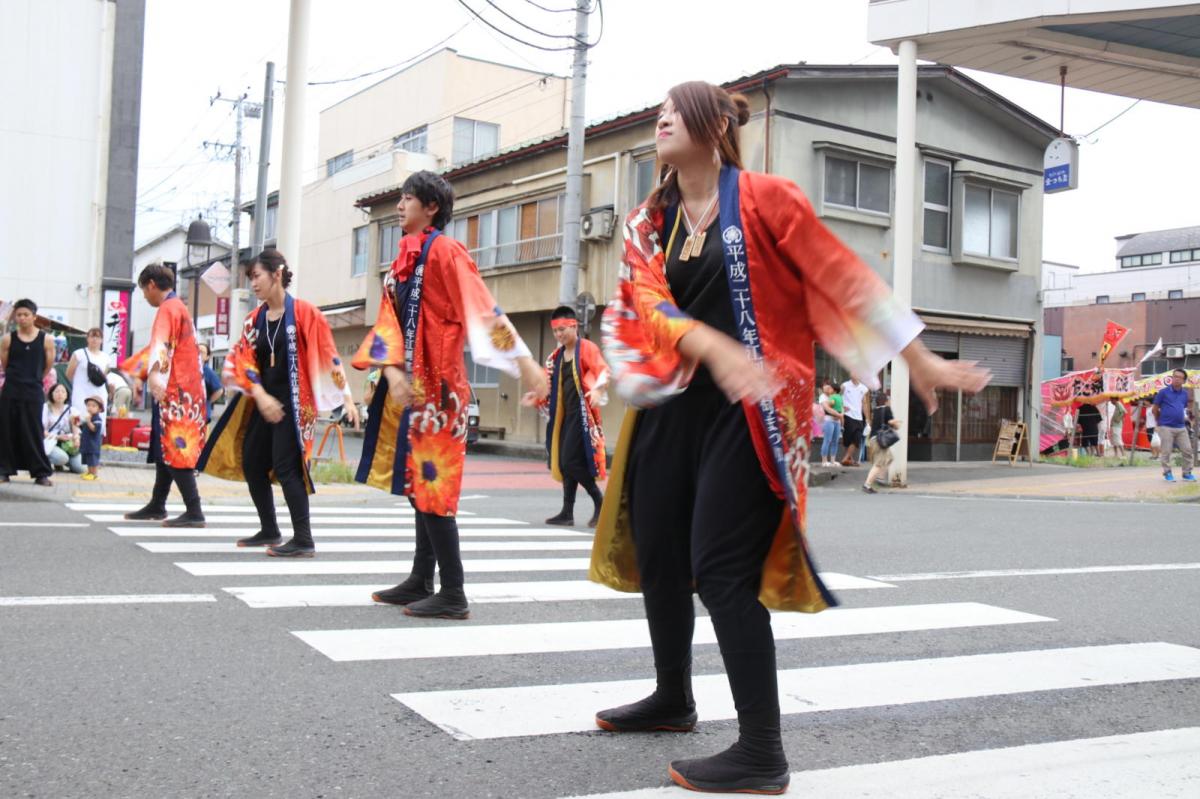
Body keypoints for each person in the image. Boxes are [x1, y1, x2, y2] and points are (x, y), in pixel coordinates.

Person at [590, 81, 989, 795]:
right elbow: (642, 302)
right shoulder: (651, 220)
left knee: (718, 568)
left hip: (754, 410)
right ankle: (673, 696)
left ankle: (762, 749)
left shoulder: (768, 198)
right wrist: (707, 345)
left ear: (713, 128)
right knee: (657, 549)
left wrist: (920, 357)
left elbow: (841, 274)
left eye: (676, 111)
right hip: (674, 409)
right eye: (660, 112)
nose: (661, 120)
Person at [353, 171, 548, 619]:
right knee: (416, 487)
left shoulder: (446, 251)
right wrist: (390, 370)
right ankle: (421, 579)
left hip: (441, 393)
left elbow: (482, 307)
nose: (400, 206)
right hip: (414, 390)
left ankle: (454, 591)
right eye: (400, 198)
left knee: (433, 487)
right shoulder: (403, 261)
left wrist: (525, 363)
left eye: (407, 199)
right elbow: (387, 325)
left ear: (431, 207)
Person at [198, 249, 358, 556]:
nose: (253, 284)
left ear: (277, 274)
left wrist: (347, 398)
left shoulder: (304, 313)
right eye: (251, 278)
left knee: (287, 466)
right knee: (252, 461)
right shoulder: (254, 319)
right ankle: (269, 529)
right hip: (263, 401)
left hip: (295, 404)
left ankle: (304, 538)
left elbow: (329, 356)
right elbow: (240, 360)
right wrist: (259, 395)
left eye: (257, 276)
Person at [119, 264, 207, 526]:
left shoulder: (168, 309)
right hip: (185, 388)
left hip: (176, 390)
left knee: (174, 447)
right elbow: (159, 346)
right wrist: (141, 375)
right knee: (164, 450)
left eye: (144, 291)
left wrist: (151, 377)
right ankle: (158, 504)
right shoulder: (177, 307)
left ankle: (194, 510)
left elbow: (159, 347)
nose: (145, 297)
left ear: (151, 285)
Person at [528, 306, 608, 528]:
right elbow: (546, 385)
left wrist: (599, 390)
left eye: (562, 329)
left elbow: (602, 370)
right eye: (555, 331)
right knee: (564, 464)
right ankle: (567, 512)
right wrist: (535, 395)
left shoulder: (587, 349)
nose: (559, 335)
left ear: (574, 326)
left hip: (581, 416)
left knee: (570, 461)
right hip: (562, 417)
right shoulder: (556, 356)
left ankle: (600, 501)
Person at [0, 299, 57, 485]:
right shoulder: (8, 338)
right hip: (11, 390)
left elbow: (48, 366)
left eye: (26, 315)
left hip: (33, 391)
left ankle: (40, 472)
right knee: (7, 431)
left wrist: (34, 378)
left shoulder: (46, 339)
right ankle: (4, 471)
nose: (22, 318)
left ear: (34, 316)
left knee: (33, 430)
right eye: (19, 315)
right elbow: (5, 363)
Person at [1153, 368, 1195, 482]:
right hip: (1166, 426)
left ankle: (1187, 473)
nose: (1176, 379)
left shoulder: (1184, 394)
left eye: (1179, 377)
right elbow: (1155, 409)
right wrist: (1159, 421)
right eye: (1174, 376)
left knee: (1187, 450)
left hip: (1181, 427)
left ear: (1183, 380)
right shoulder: (1163, 392)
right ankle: (1167, 473)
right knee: (1166, 451)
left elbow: (1183, 408)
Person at [65, 327, 111, 417]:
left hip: (99, 392)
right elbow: (69, 374)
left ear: (101, 340)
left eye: (98, 337)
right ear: (87, 338)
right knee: (79, 418)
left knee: (97, 421)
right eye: (92, 336)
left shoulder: (106, 357)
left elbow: (104, 376)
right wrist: (78, 384)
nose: (94, 339)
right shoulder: (78, 354)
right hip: (81, 392)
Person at [862, 391, 900, 494]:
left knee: (889, 458)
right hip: (880, 441)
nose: (890, 401)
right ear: (886, 401)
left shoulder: (876, 410)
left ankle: (880, 478)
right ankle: (867, 484)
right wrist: (897, 424)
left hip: (874, 439)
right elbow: (891, 422)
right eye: (889, 400)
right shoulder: (887, 409)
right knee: (878, 464)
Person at [43, 383, 84, 475]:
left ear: (67, 395)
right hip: (50, 442)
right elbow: (40, 430)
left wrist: (76, 439)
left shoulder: (73, 410)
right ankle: (48, 460)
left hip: (67, 443)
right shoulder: (45, 408)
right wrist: (58, 437)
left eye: (63, 392)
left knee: (81, 468)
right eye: (57, 391)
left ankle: (65, 462)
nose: (60, 394)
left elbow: (76, 426)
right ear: (51, 394)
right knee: (62, 458)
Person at [839, 375, 869, 466]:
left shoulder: (864, 388)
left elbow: (864, 403)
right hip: (847, 415)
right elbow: (839, 397)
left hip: (859, 417)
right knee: (848, 439)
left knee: (857, 439)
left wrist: (867, 418)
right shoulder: (844, 385)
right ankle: (850, 459)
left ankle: (845, 458)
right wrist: (841, 408)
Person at [197, 342, 225, 423]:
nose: (198, 353)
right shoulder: (190, 369)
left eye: (201, 352)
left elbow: (219, 390)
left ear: (207, 357)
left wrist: (208, 401)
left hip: (202, 416)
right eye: (196, 350)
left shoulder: (208, 372)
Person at [79, 396, 104, 480]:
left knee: (93, 460)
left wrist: (89, 421)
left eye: (93, 406)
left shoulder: (97, 419)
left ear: (99, 409)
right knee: (88, 460)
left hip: (93, 444)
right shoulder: (88, 417)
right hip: (87, 443)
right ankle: (89, 472)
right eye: (88, 405)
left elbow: (94, 429)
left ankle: (94, 474)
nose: (90, 407)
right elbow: (82, 427)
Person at [817, 382, 842, 467]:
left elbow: (842, 406)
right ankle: (824, 461)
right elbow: (826, 408)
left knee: (835, 441)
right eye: (825, 388)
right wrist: (838, 415)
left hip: (837, 421)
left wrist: (841, 414)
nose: (827, 389)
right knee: (827, 440)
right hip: (828, 420)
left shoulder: (837, 396)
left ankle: (833, 460)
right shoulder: (823, 397)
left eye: (829, 388)